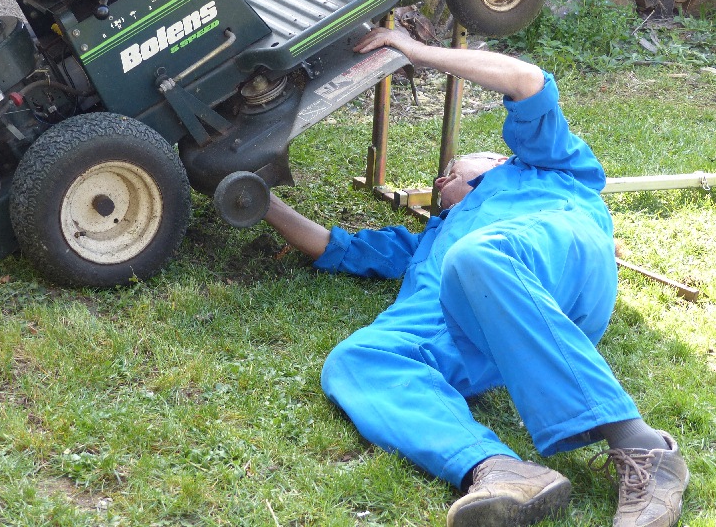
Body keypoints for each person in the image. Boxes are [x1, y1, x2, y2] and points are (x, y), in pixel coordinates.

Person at [262, 28, 690, 527]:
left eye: (452, 168)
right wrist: (255, 197)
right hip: (469, 328)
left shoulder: (546, 167)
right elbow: (332, 246)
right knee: (354, 361)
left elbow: (525, 79)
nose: (440, 179)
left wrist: (416, 51)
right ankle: (501, 471)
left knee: (476, 257)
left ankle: (642, 447)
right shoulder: (429, 239)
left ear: (495, 159)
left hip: (554, 268)